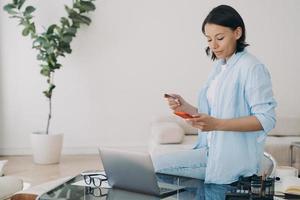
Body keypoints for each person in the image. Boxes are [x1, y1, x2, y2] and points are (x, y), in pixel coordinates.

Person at [153, 5, 277, 184]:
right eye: (209, 39)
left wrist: (217, 124)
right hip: (209, 150)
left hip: (230, 158)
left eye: (220, 38)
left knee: (156, 165)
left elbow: (266, 119)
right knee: (156, 166)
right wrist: (185, 107)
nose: (213, 45)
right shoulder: (220, 68)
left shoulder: (252, 68)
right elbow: (215, 116)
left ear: (237, 33)